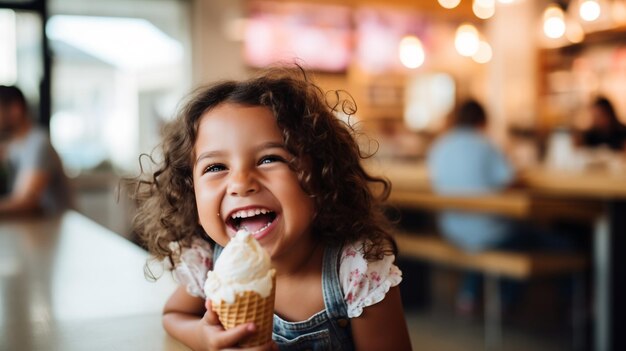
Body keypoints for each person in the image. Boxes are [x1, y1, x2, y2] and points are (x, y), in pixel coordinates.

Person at [129, 66, 412, 351]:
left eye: (269, 159)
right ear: (191, 190)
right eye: (216, 167)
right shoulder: (208, 262)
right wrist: (203, 337)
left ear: (322, 175)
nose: (241, 183)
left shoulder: (356, 271)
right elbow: (174, 315)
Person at [427, 99, 570, 314]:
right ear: (482, 121)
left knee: (493, 235)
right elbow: (510, 181)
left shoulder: (440, 145)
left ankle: (470, 296)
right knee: (547, 241)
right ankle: (509, 302)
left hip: (451, 228)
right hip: (486, 232)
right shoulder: (485, 144)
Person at [0, 85, 71, 216]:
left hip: (55, 228)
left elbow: (26, 202)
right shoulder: (14, 146)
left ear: (15, 110)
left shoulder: (38, 143)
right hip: (33, 228)